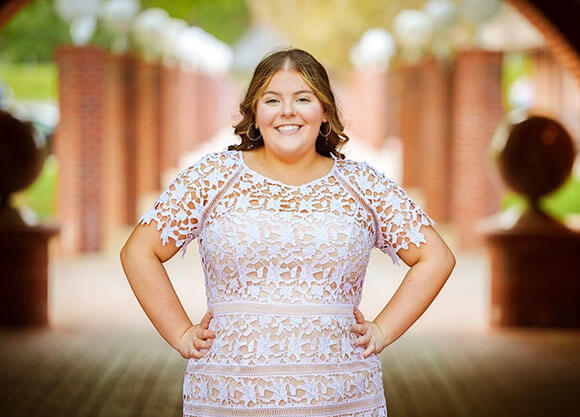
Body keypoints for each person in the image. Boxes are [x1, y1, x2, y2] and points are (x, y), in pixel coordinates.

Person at [120, 48, 455, 417]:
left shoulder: (362, 184)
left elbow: (435, 257)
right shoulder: (213, 178)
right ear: (255, 112)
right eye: (272, 100)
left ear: (324, 110)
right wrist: (181, 333)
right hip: (228, 397)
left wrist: (382, 330)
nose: (287, 111)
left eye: (303, 98)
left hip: (341, 396)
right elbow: (139, 251)